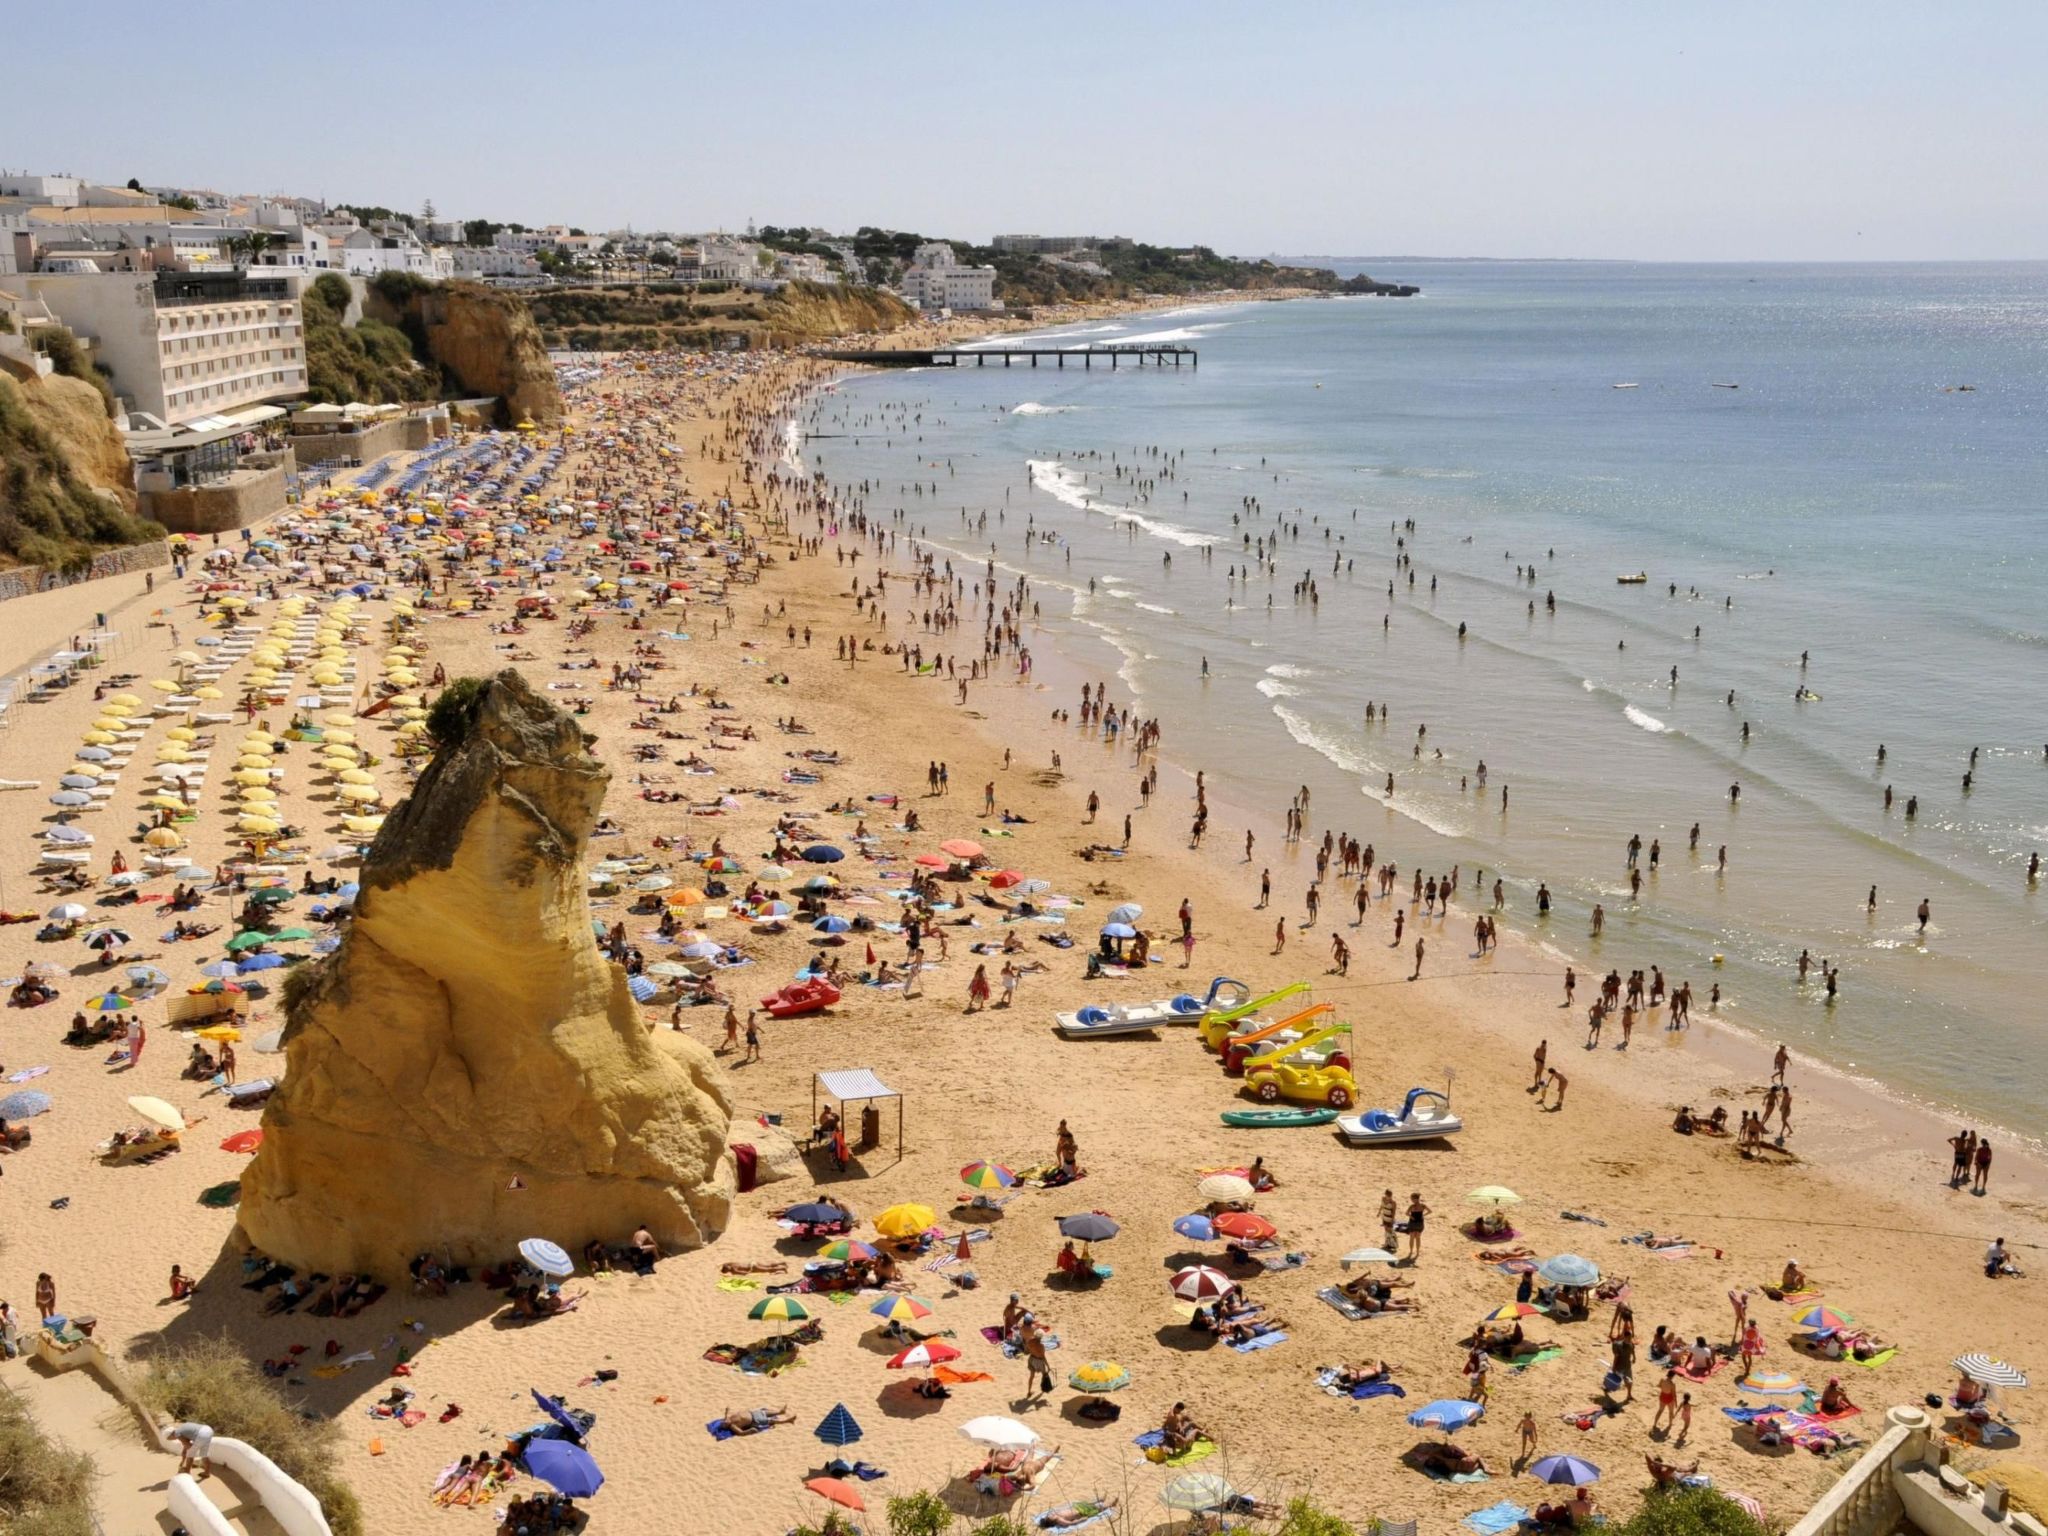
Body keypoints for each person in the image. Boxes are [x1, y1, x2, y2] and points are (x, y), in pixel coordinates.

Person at [717, 1406, 794, 1435]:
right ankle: (787, 1421)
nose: (724, 1421)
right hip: (755, 1420)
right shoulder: (733, 1426)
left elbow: (726, 1415)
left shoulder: (728, 1418)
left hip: (754, 1413)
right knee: (771, 1420)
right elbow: (741, 1433)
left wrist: (727, 1410)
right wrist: (750, 1430)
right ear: (727, 1426)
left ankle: (781, 1412)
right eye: (724, 1424)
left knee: (765, 1412)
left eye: (723, 1421)